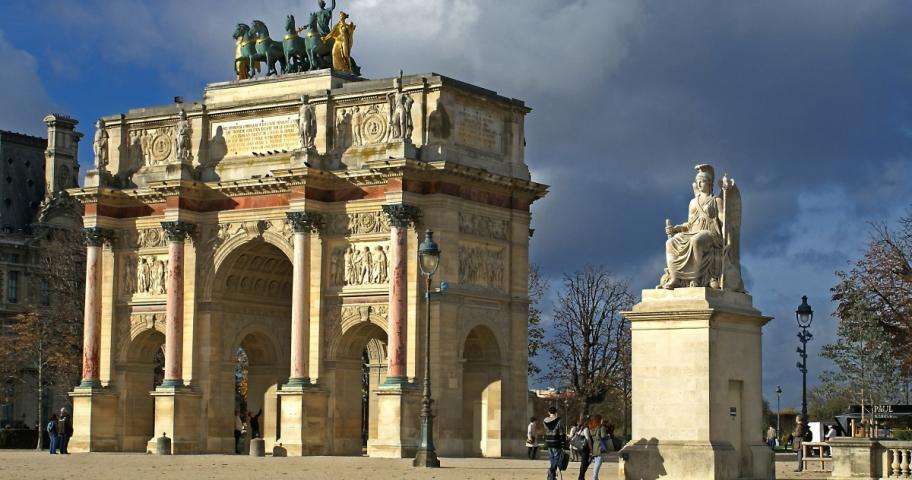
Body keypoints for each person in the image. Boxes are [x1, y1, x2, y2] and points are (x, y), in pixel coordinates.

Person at [543, 407, 565, 480]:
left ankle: (552, 476)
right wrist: (563, 443)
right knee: (556, 458)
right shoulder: (559, 420)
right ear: (556, 412)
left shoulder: (545, 421)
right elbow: (561, 433)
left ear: (549, 412)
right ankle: (551, 472)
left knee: (552, 458)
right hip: (556, 442)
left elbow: (546, 430)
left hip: (548, 442)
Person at [571, 415, 592, 480]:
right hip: (584, 448)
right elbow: (588, 439)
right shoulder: (585, 428)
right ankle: (581, 477)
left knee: (585, 462)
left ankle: (582, 476)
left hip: (579, 448)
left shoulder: (579, 427)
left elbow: (575, 436)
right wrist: (591, 448)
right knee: (585, 462)